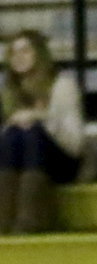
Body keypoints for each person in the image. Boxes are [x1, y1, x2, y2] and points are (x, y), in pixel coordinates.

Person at [0, 29, 84, 233]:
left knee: (32, 132)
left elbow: (75, 144)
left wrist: (40, 117)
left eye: (26, 51)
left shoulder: (62, 86)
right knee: (13, 134)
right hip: (20, 160)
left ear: (39, 54)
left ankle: (30, 219)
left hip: (63, 160)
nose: (19, 57)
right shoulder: (8, 91)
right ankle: (4, 219)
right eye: (14, 53)